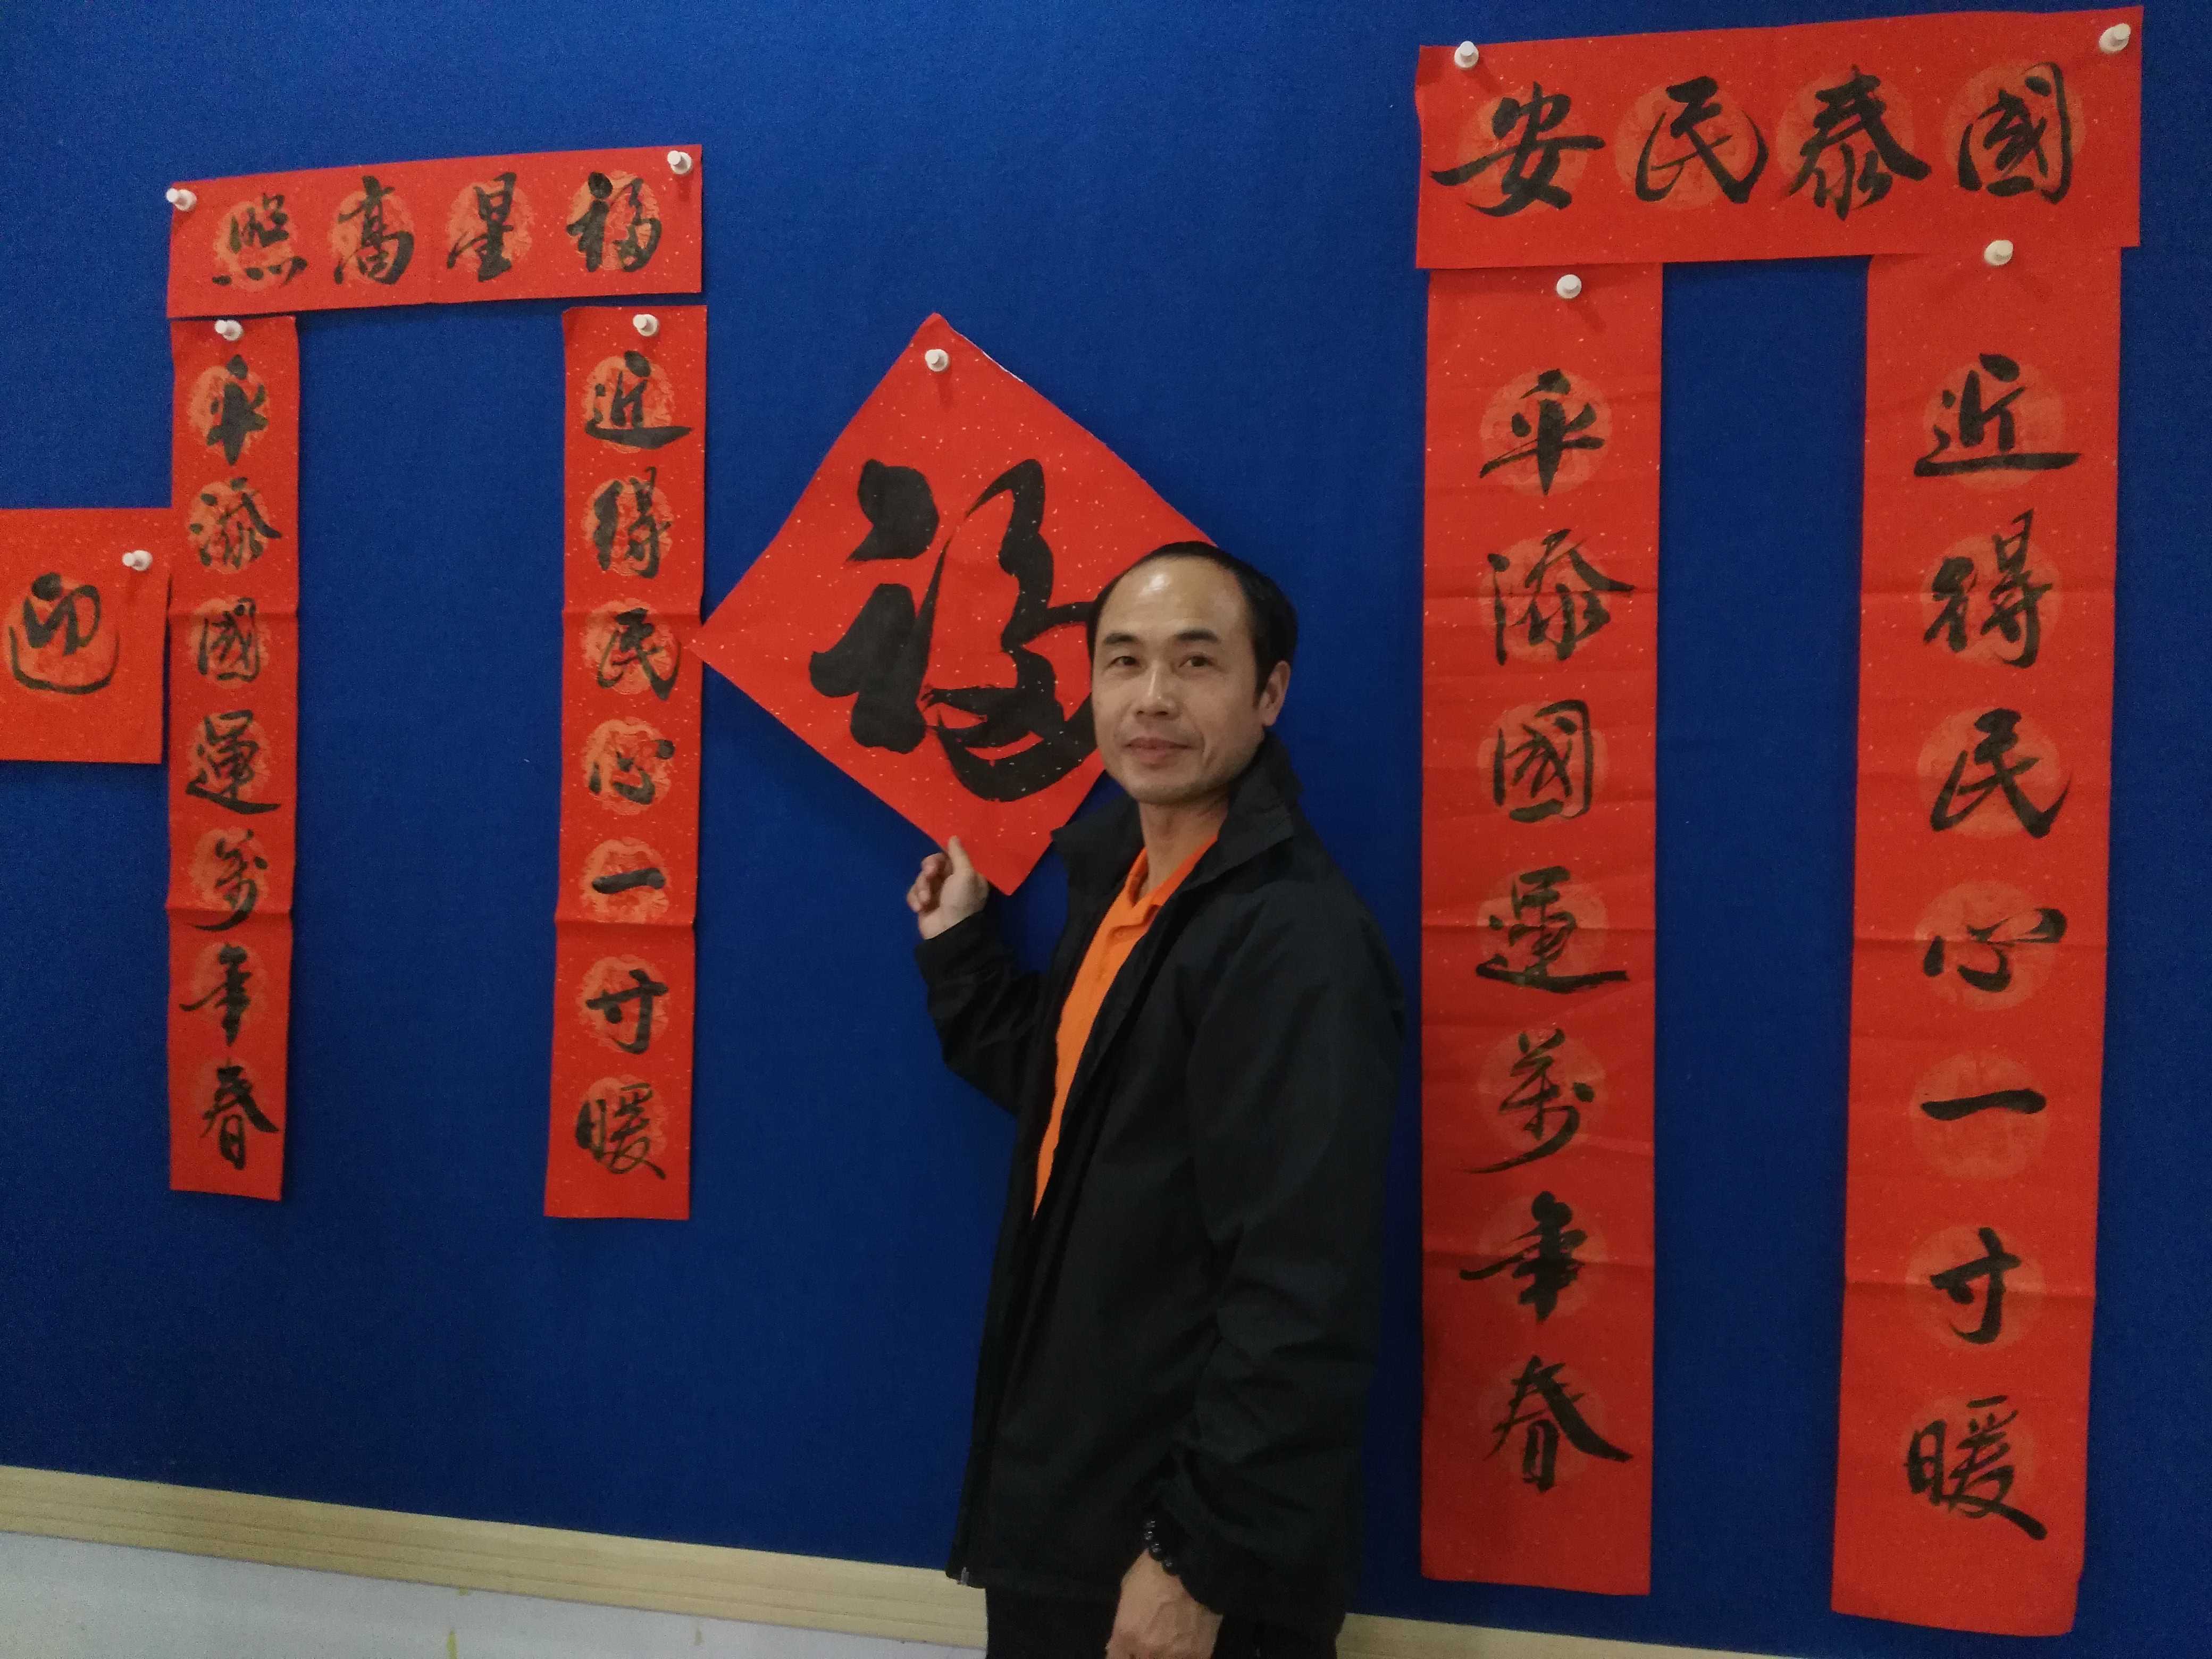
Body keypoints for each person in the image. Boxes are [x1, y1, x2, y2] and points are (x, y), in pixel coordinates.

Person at [906, 544, 1404, 1659]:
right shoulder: (1127, 890)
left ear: (1270, 692)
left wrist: (1196, 1558)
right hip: (1069, 1513)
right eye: (1123, 661)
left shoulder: (1295, 941)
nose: (1153, 698)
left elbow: (1303, 1289)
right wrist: (961, 952)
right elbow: (1085, 1105)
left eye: (1197, 661)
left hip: (1178, 1562)